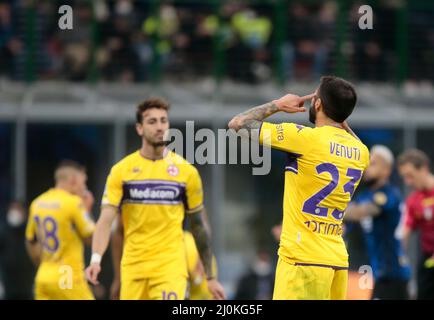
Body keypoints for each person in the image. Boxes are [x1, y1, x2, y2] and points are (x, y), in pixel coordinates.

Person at [229, 75, 370, 300]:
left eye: (315, 95)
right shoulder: (361, 152)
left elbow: (238, 123)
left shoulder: (304, 138)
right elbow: (357, 144)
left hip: (302, 260)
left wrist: (278, 105)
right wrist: (341, 117)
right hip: (337, 261)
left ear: (318, 103)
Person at [86, 98, 226, 300]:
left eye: (163, 121)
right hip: (134, 268)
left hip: (170, 268)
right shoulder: (121, 171)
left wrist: (210, 276)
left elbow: (198, 225)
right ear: (139, 128)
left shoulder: (187, 172)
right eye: (152, 122)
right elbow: (106, 221)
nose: (160, 127)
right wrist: (96, 259)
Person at [345, 145, 410, 299]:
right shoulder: (364, 196)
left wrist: (330, 207)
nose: (367, 168)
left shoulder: (389, 195)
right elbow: (346, 224)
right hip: (376, 273)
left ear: (387, 170)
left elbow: (360, 212)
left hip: (393, 273)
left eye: (373, 164)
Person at [25, 160, 95, 300]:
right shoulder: (74, 203)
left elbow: (30, 241)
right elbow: (92, 238)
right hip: (68, 275)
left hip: (44, 275)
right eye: (83, 182)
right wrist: (87, 210)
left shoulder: (37, 203)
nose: (84, 187)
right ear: (73, 180)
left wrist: (43, 264)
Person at [398, 149, 434, 300]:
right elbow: (404, 231)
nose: (408, 182)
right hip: (428, 261)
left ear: (424, 168)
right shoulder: (413, 201)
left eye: (410, 176)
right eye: (404, 177)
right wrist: (400, 256)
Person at [0, 201, 34, 299]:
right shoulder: (3, 231)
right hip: (8, 281)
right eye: (13, 209)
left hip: (26, 282)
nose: (15, 213)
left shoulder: (29, 232)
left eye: (18, 209)